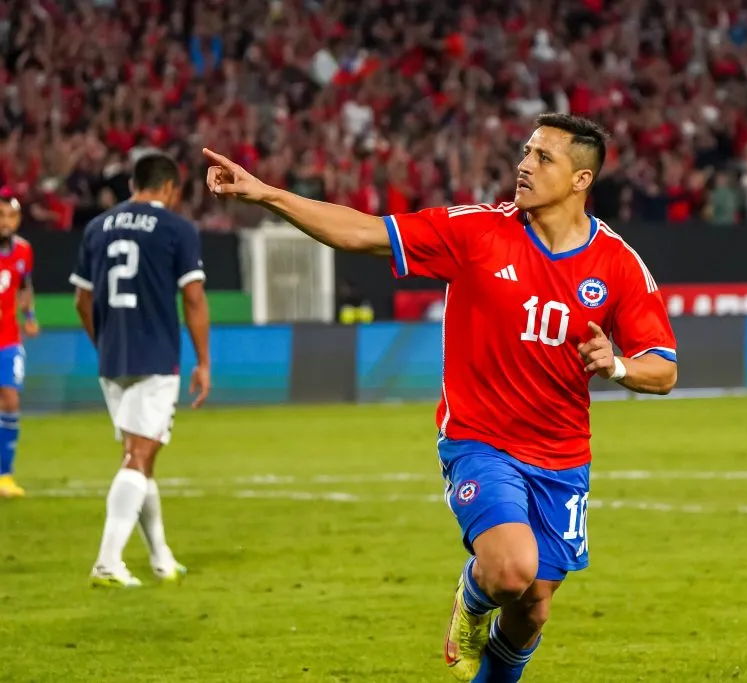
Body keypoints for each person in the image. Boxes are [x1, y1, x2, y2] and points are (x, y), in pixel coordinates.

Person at [202, 113, 677, 682]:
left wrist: (619, 364)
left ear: (580, 180)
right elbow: (363, 232)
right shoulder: (475, 231)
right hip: (480, 441)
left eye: (543, 158)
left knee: (534, 607)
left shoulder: (618, 264)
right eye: (526, 152)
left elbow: (663, 369)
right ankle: (471, 602)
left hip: (562, 456)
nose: (524, 165)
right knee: (508, 570)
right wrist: (266, 194)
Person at [69, 153, 212, 587]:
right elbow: (193, 298)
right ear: (169, 188)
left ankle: (161, 558)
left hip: (112, 358)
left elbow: (82, 300)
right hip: (154, 357)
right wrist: (203, 360)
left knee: (138, 454)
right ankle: (108, 561)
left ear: (134, 183)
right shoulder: (176, 229)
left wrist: (105, 344)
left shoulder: (97, 227)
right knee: (139, 455)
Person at [0, 189, 38, 498]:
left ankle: (5, 475)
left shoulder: (24, 251)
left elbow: (24, 286)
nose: (5, 222)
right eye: (1, 216)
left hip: (8, 338)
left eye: (11, 216)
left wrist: (30, 315)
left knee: (11, 400)